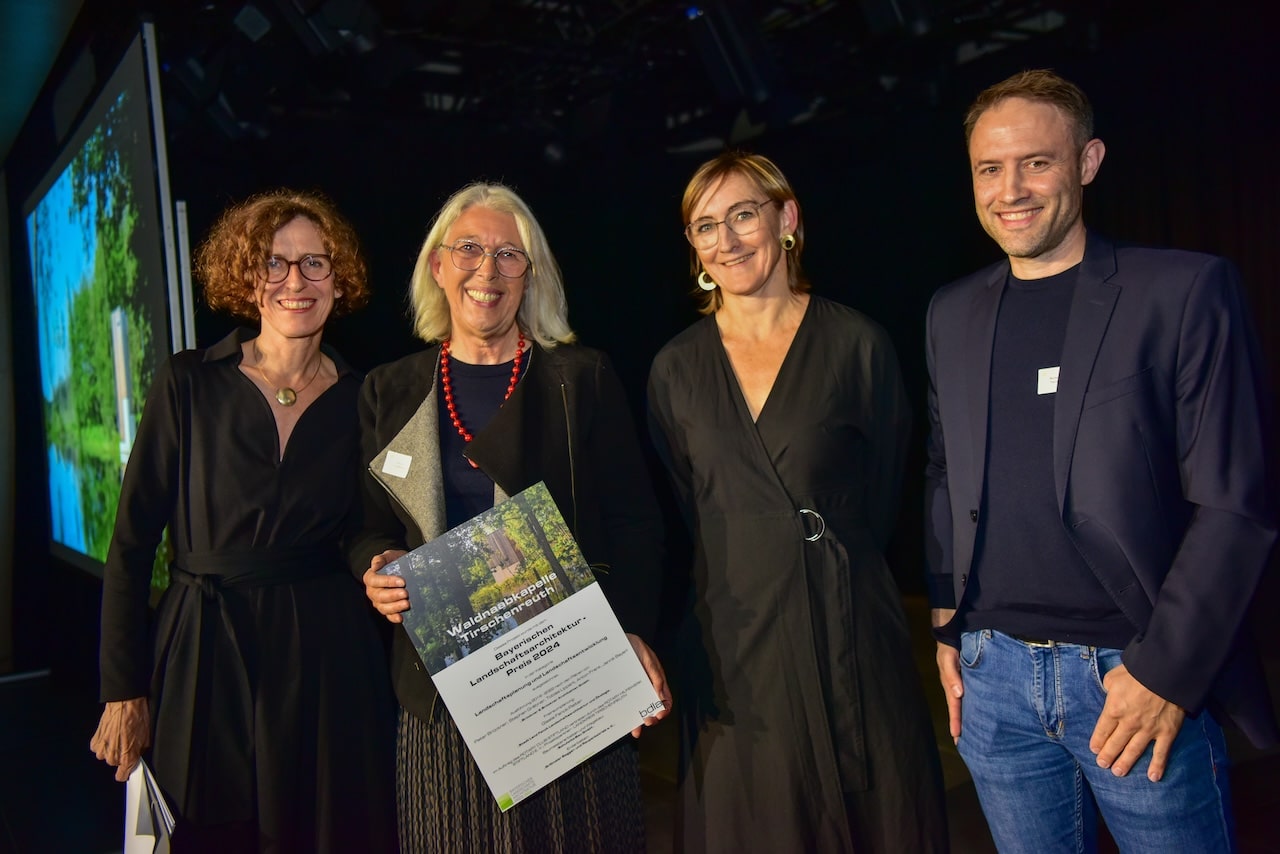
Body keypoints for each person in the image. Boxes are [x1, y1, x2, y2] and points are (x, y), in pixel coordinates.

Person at [925, 68, 1279, 852]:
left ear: (1087, 162)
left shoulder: (1181, 291)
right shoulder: (951, 312)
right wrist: (948, 621)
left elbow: (1236, 502)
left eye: (1036, 163)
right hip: (994, 681)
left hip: (1130, 680)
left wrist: (1166, 673)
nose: (1010, 189)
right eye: (990, 168)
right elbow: (947, 471)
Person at [353, 181, 671, 853]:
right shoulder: (389, 388)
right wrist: (374, 567)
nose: (487, 270)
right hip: (441, 696)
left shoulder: (579, 379)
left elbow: (636, 520)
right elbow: (369, 526)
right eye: (468, 248)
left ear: (532, 275)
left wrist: (635, 631)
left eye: (509, 253)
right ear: (438, 266)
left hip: (567, 676)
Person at [647, 151, 948, 852]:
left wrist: (812, 543)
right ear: (692, 246)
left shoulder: (856, 343)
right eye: (704, 226)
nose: (727, 240)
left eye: (743, 214)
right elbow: (693, 505)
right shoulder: (675, 369)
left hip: (849, 626)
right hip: (733, 638)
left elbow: (880, 498)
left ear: (786, 219)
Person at [90, 189, 397, 852]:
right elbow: (132, 543)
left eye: (315, 264)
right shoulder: (188, 383)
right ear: (247, 278)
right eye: (275, 263)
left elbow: (359, 528)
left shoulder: (365, 398)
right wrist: (123, 688)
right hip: (203, 646)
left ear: (339, 282)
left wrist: (374, 561)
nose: (296, 282)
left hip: (325, 655)